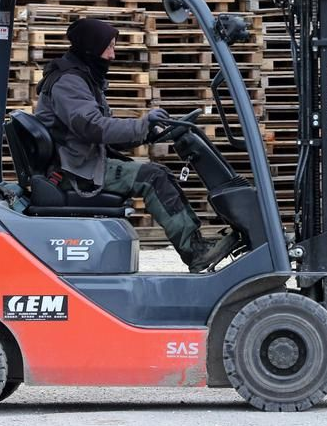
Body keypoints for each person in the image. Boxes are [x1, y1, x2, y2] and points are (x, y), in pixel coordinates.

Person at [33, 18, 238, 272]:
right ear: (91, 47)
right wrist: (142, 125)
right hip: (74, 172)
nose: (113, 54)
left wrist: (147, 134)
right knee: (153, 177)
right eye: (109, 47)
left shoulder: (81, 77)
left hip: (80, 161)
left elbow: (99, 131)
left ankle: (195, 246)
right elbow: (94, 127)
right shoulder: (69, 82)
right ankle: (195, 252)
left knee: (155, 173)